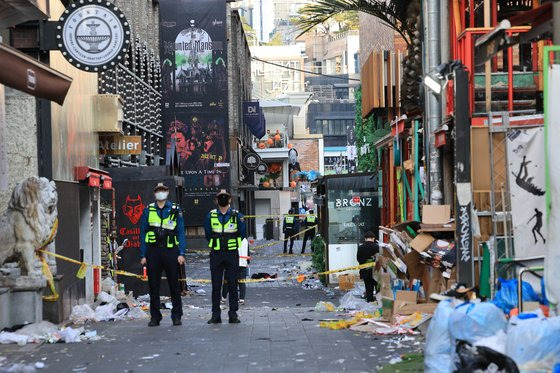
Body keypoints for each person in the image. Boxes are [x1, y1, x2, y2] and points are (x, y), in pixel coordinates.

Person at [139, 183, 186, 327]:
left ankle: (176, 316)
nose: (161, 193)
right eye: (158, 191)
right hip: (153, 252)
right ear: (155, 194)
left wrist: (182, 253)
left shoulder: (175, 209)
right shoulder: (148, 210)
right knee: (154, 286)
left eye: (163, 190)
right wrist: (143, 255)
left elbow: (180, 232)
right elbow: (142, 233)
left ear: (167, 192)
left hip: (171, 251)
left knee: (174, 286)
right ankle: (155, 317)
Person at [204, 190, 246, 324]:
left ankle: (233, 314)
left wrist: (231, 243)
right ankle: (215, 315)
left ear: (230, 200)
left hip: (231, 253)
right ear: (217, 201)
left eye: (225, 198)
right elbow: (208, 233)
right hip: (216, 254)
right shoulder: (210, 216)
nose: (223, 199)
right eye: (220, 198)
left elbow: (242, 233)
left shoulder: (236, 215)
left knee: (233, 284)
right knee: (216, 286)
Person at [222, 238, 250, 305]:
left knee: (227, 281)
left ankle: (223, 298)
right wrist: (247, 262)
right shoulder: (245, 240)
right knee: (242, 282)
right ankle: (241, 299)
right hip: (243, 263)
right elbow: (248, 252)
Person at [356, 231, 379, 302]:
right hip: (376, 271)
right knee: (378, 288)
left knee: (368, 289)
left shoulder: (360, 247)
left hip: (365, 271)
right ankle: (379, 303)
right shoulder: (377, 247)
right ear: (374, 238)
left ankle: (370, 302)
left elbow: (358, 258)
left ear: (365, 239)